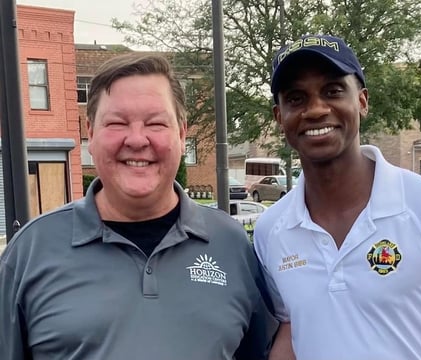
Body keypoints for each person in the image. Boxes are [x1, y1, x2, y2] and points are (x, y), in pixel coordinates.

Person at [253, 34, 421, 360]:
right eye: (296, 98)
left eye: (333, 91)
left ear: (362, 101)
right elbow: (292, 328)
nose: (316, 110)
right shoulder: (271, 231)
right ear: (280, 117)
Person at [0, 53, 276, 359]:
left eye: (155, 123)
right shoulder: (31, 252)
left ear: (182, 134)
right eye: (117, 123)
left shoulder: (230, 244)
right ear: (90, 133)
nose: (136, 139)